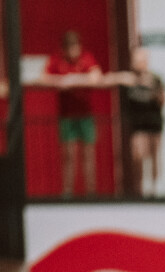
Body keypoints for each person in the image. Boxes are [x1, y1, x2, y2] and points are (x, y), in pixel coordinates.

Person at [43, 31, 102, 198]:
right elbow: (44, 77)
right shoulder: (57, 60)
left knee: (88, 154)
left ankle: (91, 192)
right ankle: (67, 192)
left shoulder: (86, 58)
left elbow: (96, 76)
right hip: (66, 116)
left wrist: (73, 80)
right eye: (69, 48)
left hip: (85, 115)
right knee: (68, 155)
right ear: (64, 49)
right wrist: (61, 81)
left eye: (75, 47)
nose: (72, 51)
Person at [111, 48, 164, 197]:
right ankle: (139, 188)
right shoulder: (129, 79)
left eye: (140, 60)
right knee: (138, 155)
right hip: (137, 124)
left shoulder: (155, 79)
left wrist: (153, 92)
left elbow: (163, 99)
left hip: (154, 122)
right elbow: (111, 79)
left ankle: (153, 189)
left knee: (154, 156)